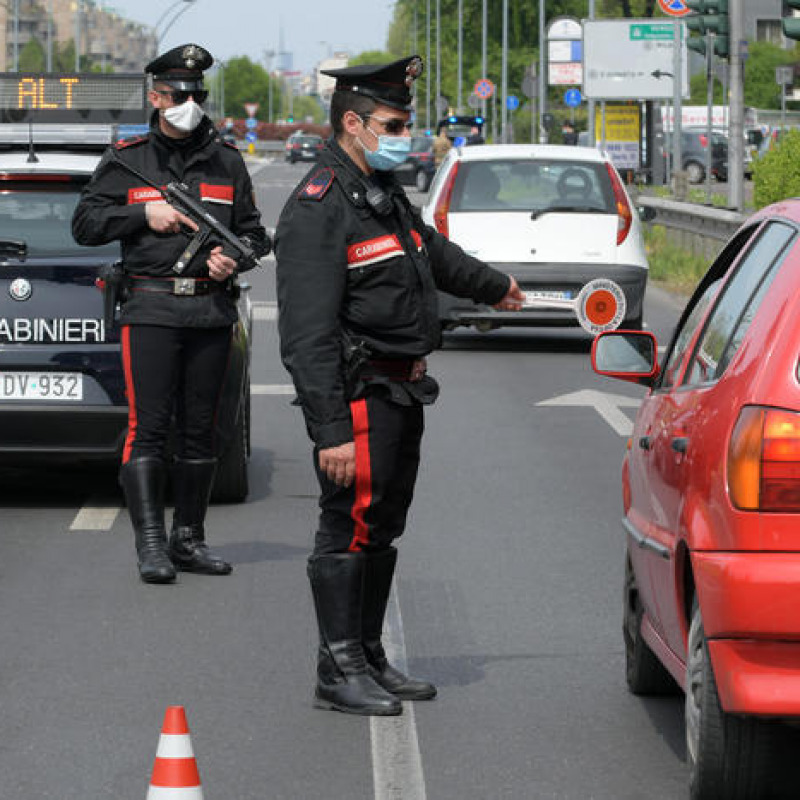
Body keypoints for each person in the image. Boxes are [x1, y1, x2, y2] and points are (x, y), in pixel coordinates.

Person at [275, 55, 524, 716]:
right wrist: (328, 429)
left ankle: (369, 655)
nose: (405, 133)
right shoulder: (318, 207)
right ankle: (338, 667)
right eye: (393, 122)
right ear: (352, 123)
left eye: (407, 122)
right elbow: (306, 334)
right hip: (360, 392)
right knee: (348, 523)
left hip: (403, 391)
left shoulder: (381, 195)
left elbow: (431, 252)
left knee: (381, 525)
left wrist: (494, 286)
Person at [72, 44, 269, 584]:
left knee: (201, 431)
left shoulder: (226, 161)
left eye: (197, 95)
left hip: (210, 308)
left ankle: (190, 538)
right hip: (152, 306)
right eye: (179, 95)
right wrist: (143, 214)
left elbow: (254, 232)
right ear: (156, 98)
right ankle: (151, 545)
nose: (190, 103)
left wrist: (237, 256)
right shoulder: (128, 159)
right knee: (150, 427)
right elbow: (86, 224)